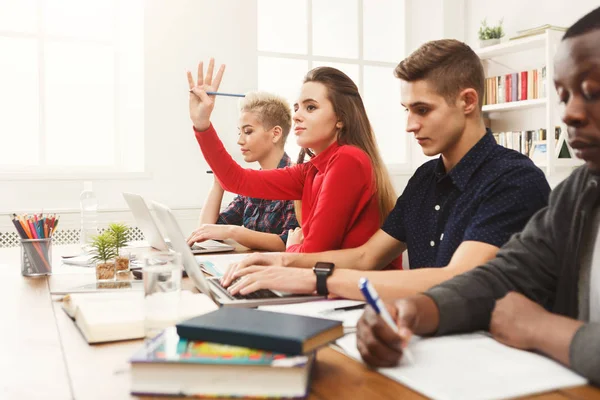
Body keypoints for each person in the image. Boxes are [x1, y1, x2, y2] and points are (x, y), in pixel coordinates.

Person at [356, 6, 600, 386]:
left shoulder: (515, 178)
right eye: (563, 96)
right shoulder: (580, 191)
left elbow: (476, 282)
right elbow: (502, 276)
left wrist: (541, 328)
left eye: (592, 93)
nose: (568, 114)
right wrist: (414, 309)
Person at [221, 39, 550, 301]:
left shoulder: (514, 180)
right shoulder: (425, 179)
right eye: (407, 110)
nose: (410, 125)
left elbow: (458, 280)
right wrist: (283, 261)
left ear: (467, 102)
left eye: (422, 110)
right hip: (427, 331)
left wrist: (314, 276)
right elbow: (366, 257)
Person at [187, 61, 399, 261]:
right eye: (297, 107)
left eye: (311, 107)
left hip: (356, 291)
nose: (296, 115)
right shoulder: (311, 171)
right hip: (326, 285)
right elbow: (236, 180)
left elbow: (310, 255)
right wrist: (202, 123)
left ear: (341, 118)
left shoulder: (348, 159)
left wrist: (292, 246)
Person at [186, 91, 299, 251]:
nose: (240, 140)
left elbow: (287, 241)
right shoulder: (251, 185)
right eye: (240, 132)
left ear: (275, 134)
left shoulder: (296, 179)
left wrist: (234, 232)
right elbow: (207, 232)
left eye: (248, 132)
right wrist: (219, 182)